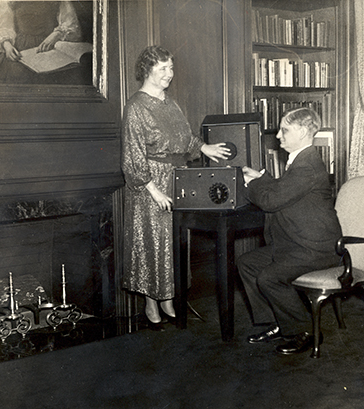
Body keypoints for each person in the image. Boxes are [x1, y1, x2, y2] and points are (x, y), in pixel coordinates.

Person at [121, 45, 230, 329]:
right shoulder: (135, 106)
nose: (170, 74)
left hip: (178, 178)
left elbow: (186, 138)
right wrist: (154, 191)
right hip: (149, 185)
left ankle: (169, 298)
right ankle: (151, 302)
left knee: (173, 242)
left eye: (171, 68)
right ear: (147, 70)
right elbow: (132, 155)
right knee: (151, 242)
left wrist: (206, 147)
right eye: (164, 69)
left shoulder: (171, 103)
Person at [237, 107, 342, 354]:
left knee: (269, 278)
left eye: (285, 130)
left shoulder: (307, 165)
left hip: (316, 248)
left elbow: (271, 201)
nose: (279, 136)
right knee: (247, 263)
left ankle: (305, 331)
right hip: (298, 243)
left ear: (303, 132)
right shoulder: (300, 159)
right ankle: (276, 323)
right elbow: (282, 191)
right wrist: (261, 177)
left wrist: (251, 183)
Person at [0, 1, 90, 85]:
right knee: (18, 74)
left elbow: (70, 22)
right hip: (21, 47)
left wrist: (57, 34)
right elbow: (0, 25)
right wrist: (6, 44)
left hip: (50, 44)